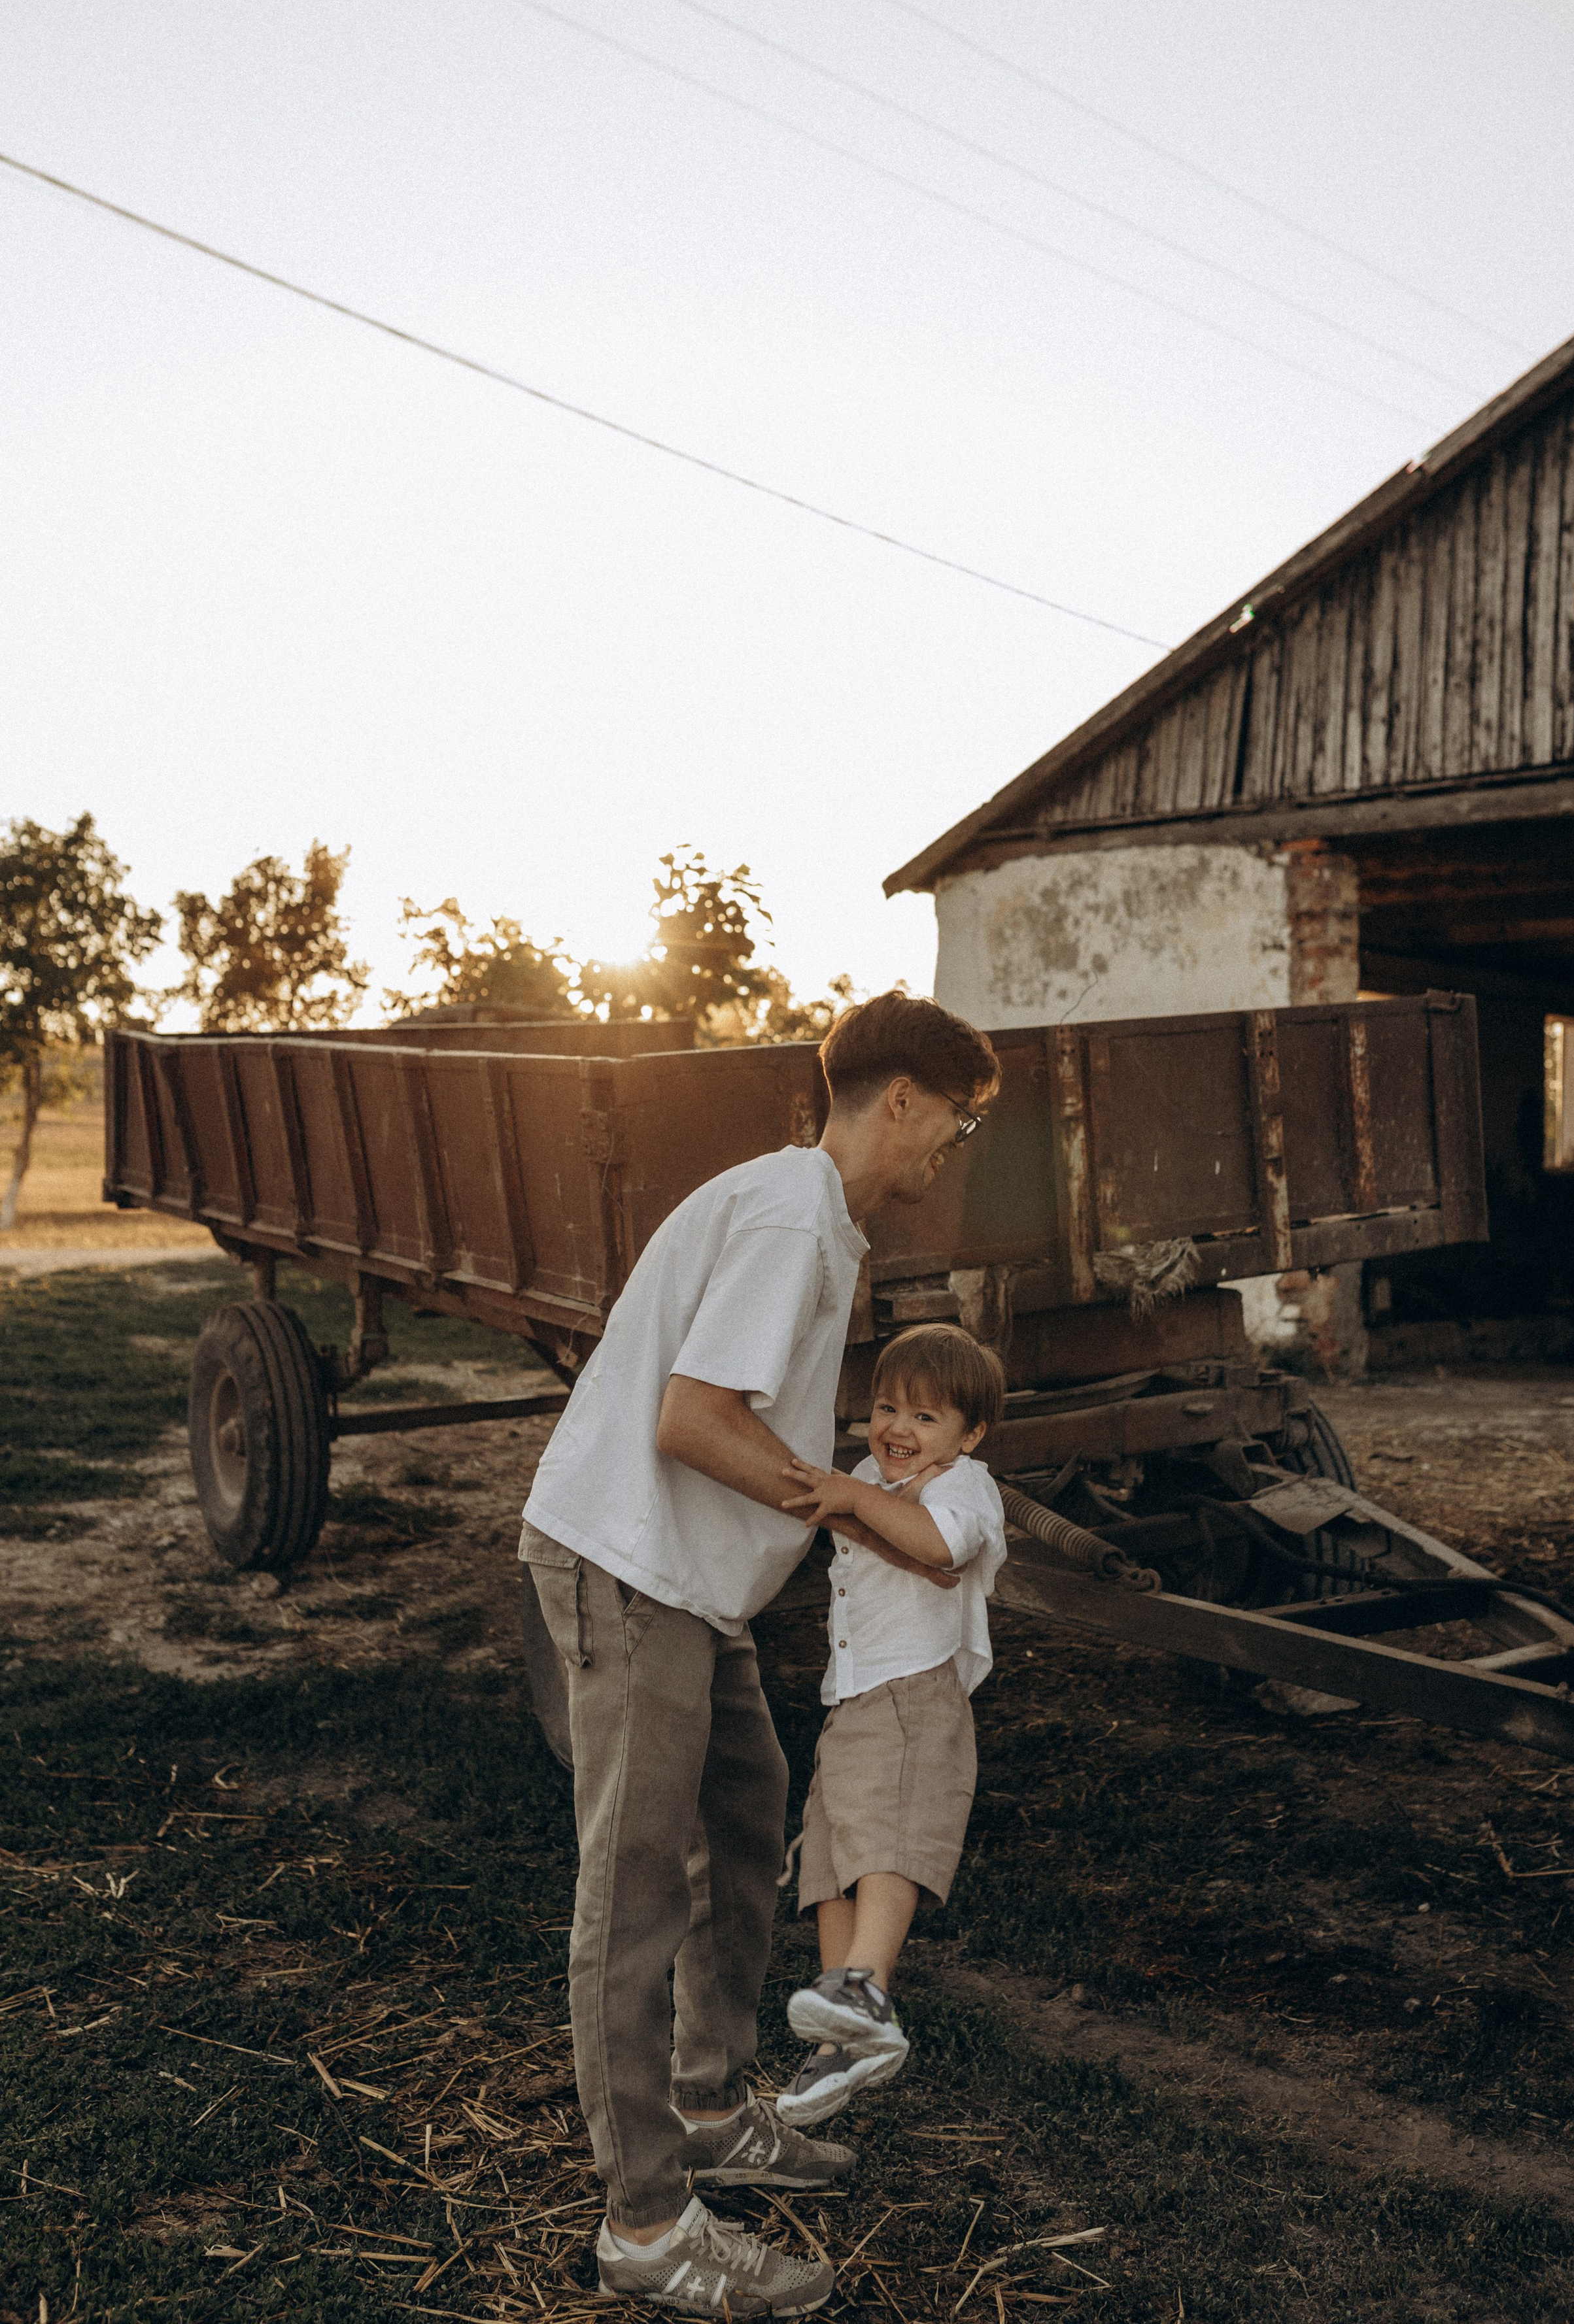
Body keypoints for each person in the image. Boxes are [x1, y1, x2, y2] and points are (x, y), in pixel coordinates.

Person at [519, 992, 999, 2317]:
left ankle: (709, 2104)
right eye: (947, 1131)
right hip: (627, 1566)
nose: (941, 1157)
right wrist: (839, 1500)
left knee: (742, 1822)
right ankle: (647, 2224)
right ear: (897, 1099)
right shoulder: (794, 1218)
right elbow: (690, 1419)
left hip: (690, 1585)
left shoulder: (808, 1216)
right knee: (632, 1894)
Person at [771, 1323, 1009, 2127]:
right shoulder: (872, 1475)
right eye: (885, 1408)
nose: (898, 1430)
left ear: (968, 1435)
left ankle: (866, 1991)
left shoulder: (963, 1484)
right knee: (833, 1853)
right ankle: (839, 2040)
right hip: (855, 1695)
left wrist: (853, 1495)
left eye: (926, 1418)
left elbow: (942, 1546)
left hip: (913, 1690)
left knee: (886, 1836)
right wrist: (849, 1489)